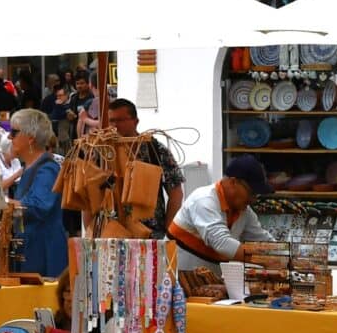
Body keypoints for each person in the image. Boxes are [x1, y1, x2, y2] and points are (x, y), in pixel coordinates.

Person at [169, 155, 274, 271]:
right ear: (233, 182)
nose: (253, 200)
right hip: (173, 277)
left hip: (206, 278)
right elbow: (221, 242)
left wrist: (284, 257)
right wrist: (265, 260)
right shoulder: (203, 200)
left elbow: (263, 239)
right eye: (251, 193)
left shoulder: (244, 211)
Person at [105, 98, 183, 236]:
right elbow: (89, 194)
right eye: (112, 120)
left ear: (136, 121)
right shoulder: (103, 152)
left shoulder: (155, 149)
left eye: (121, 120)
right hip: (112, 233)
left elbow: (176, 193)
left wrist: (168, 231)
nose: (115, 125)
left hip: (151, 232)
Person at [6, 109, 68, 278]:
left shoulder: (48, 169)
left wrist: (3, 203)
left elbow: (38, 206)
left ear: (30, 138)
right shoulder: (31, 168)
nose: (10, 137)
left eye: (14, 132)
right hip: (31, 249)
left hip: (43, 251)